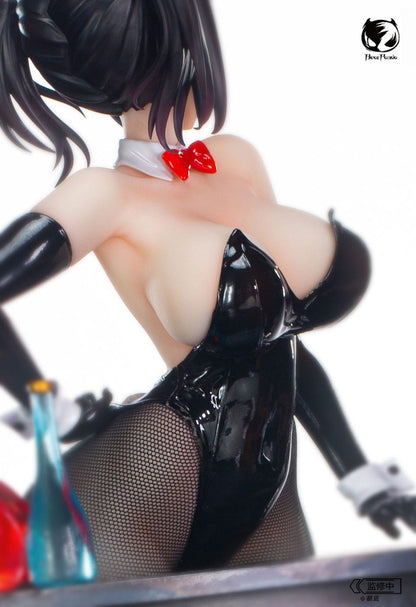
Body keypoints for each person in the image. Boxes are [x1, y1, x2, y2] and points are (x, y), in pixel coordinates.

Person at [0, 0, 415, 581]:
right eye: (188, 49)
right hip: (143, 484)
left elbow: (281, 340)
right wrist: (51, 412)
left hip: (269, 492)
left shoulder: (234, 161)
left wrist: (359, 475)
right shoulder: (102, 196)